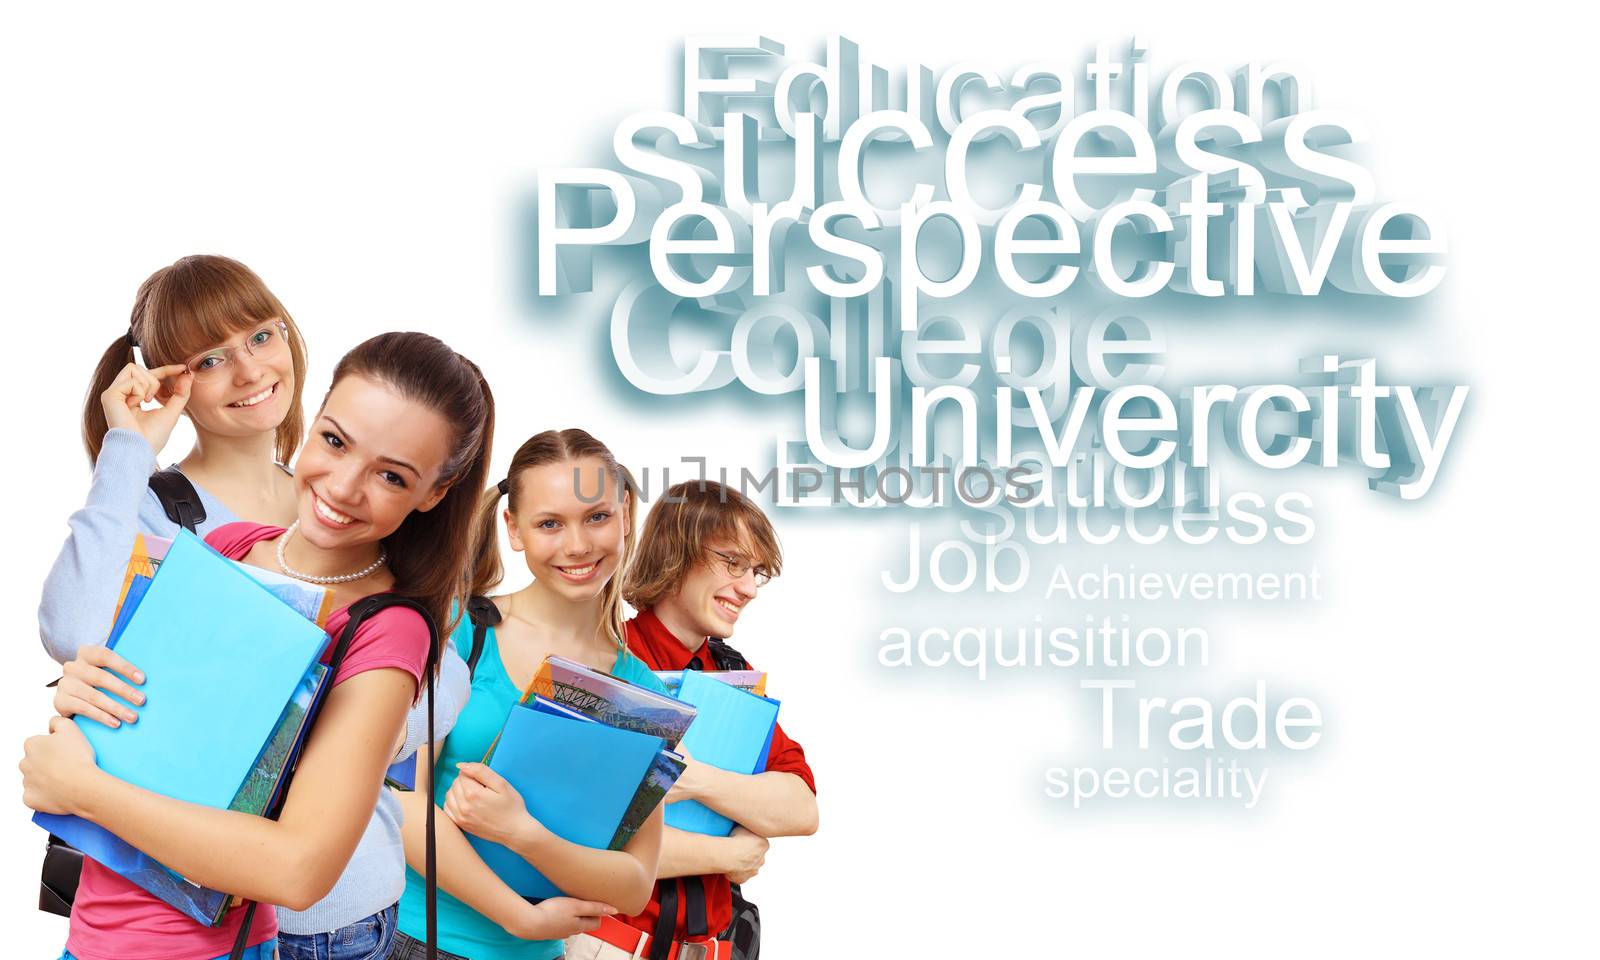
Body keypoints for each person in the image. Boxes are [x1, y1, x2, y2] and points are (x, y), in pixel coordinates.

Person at [39, 257, 473, 960]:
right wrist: (128, 447)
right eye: (210, 358)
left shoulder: (362, 512)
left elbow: (441, 691)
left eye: (262, 337)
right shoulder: (178, 519)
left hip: (348, 896)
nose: (248, 372)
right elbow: (73, 635)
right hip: (195, 895)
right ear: (168, 378)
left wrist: (325, 737)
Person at [390, 429, 668, 960]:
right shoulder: (460, 631)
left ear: (626, 515)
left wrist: (522, 834)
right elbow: (402, 803)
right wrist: (519, 916)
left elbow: (634, 883)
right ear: (513, 529)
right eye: (549, 524)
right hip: (410, 942)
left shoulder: (643, 695)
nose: (578, 545)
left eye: (597, 517)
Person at [566, 480, 817, 960]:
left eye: (755, 571)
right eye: (732, 563)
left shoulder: (730, 675)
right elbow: (585, 839)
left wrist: (692, 778)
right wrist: (729, 854)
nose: (748, 588)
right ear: (675, 552)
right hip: (605, 948)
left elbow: (801, 809)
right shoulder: (606, 657)